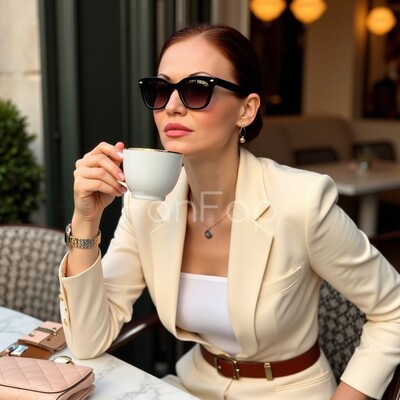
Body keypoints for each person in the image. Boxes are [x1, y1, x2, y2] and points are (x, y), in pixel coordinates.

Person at [59, 23, 400, 400]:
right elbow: (87, 341)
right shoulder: (146, 204)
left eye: (196, 89)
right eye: (161, 90)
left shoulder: (301, 201)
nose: (171, 106)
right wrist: (86, 220)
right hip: (192, 386)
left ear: (246, 110)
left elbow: (394, 310)